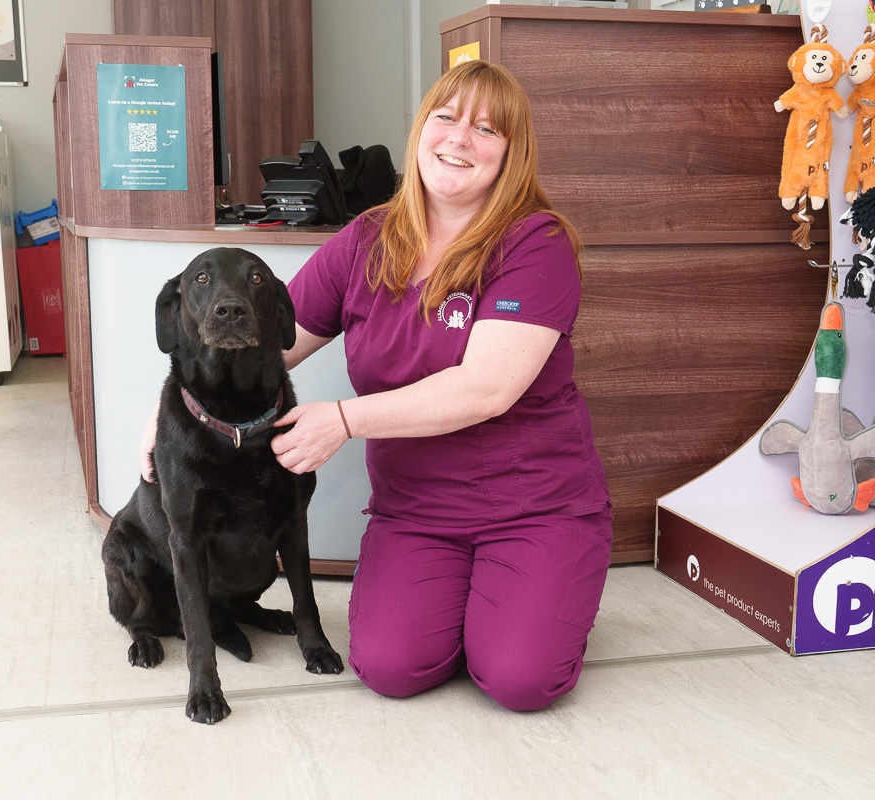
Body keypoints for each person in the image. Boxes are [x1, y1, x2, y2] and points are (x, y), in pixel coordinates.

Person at [143, 60, 612, 711]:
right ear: (422, 129)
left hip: (532, 504)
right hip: (418, 508)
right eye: (446, 118)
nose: (458, 139)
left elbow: (486, 389)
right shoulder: (366, 238)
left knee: (519, 679)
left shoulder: (535, 243)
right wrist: (174, 416)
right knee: (390, 667)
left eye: (486, 129)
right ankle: (478, 601)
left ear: (512, 152)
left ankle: (540, 586)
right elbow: (269, 338)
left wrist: (343, 418)